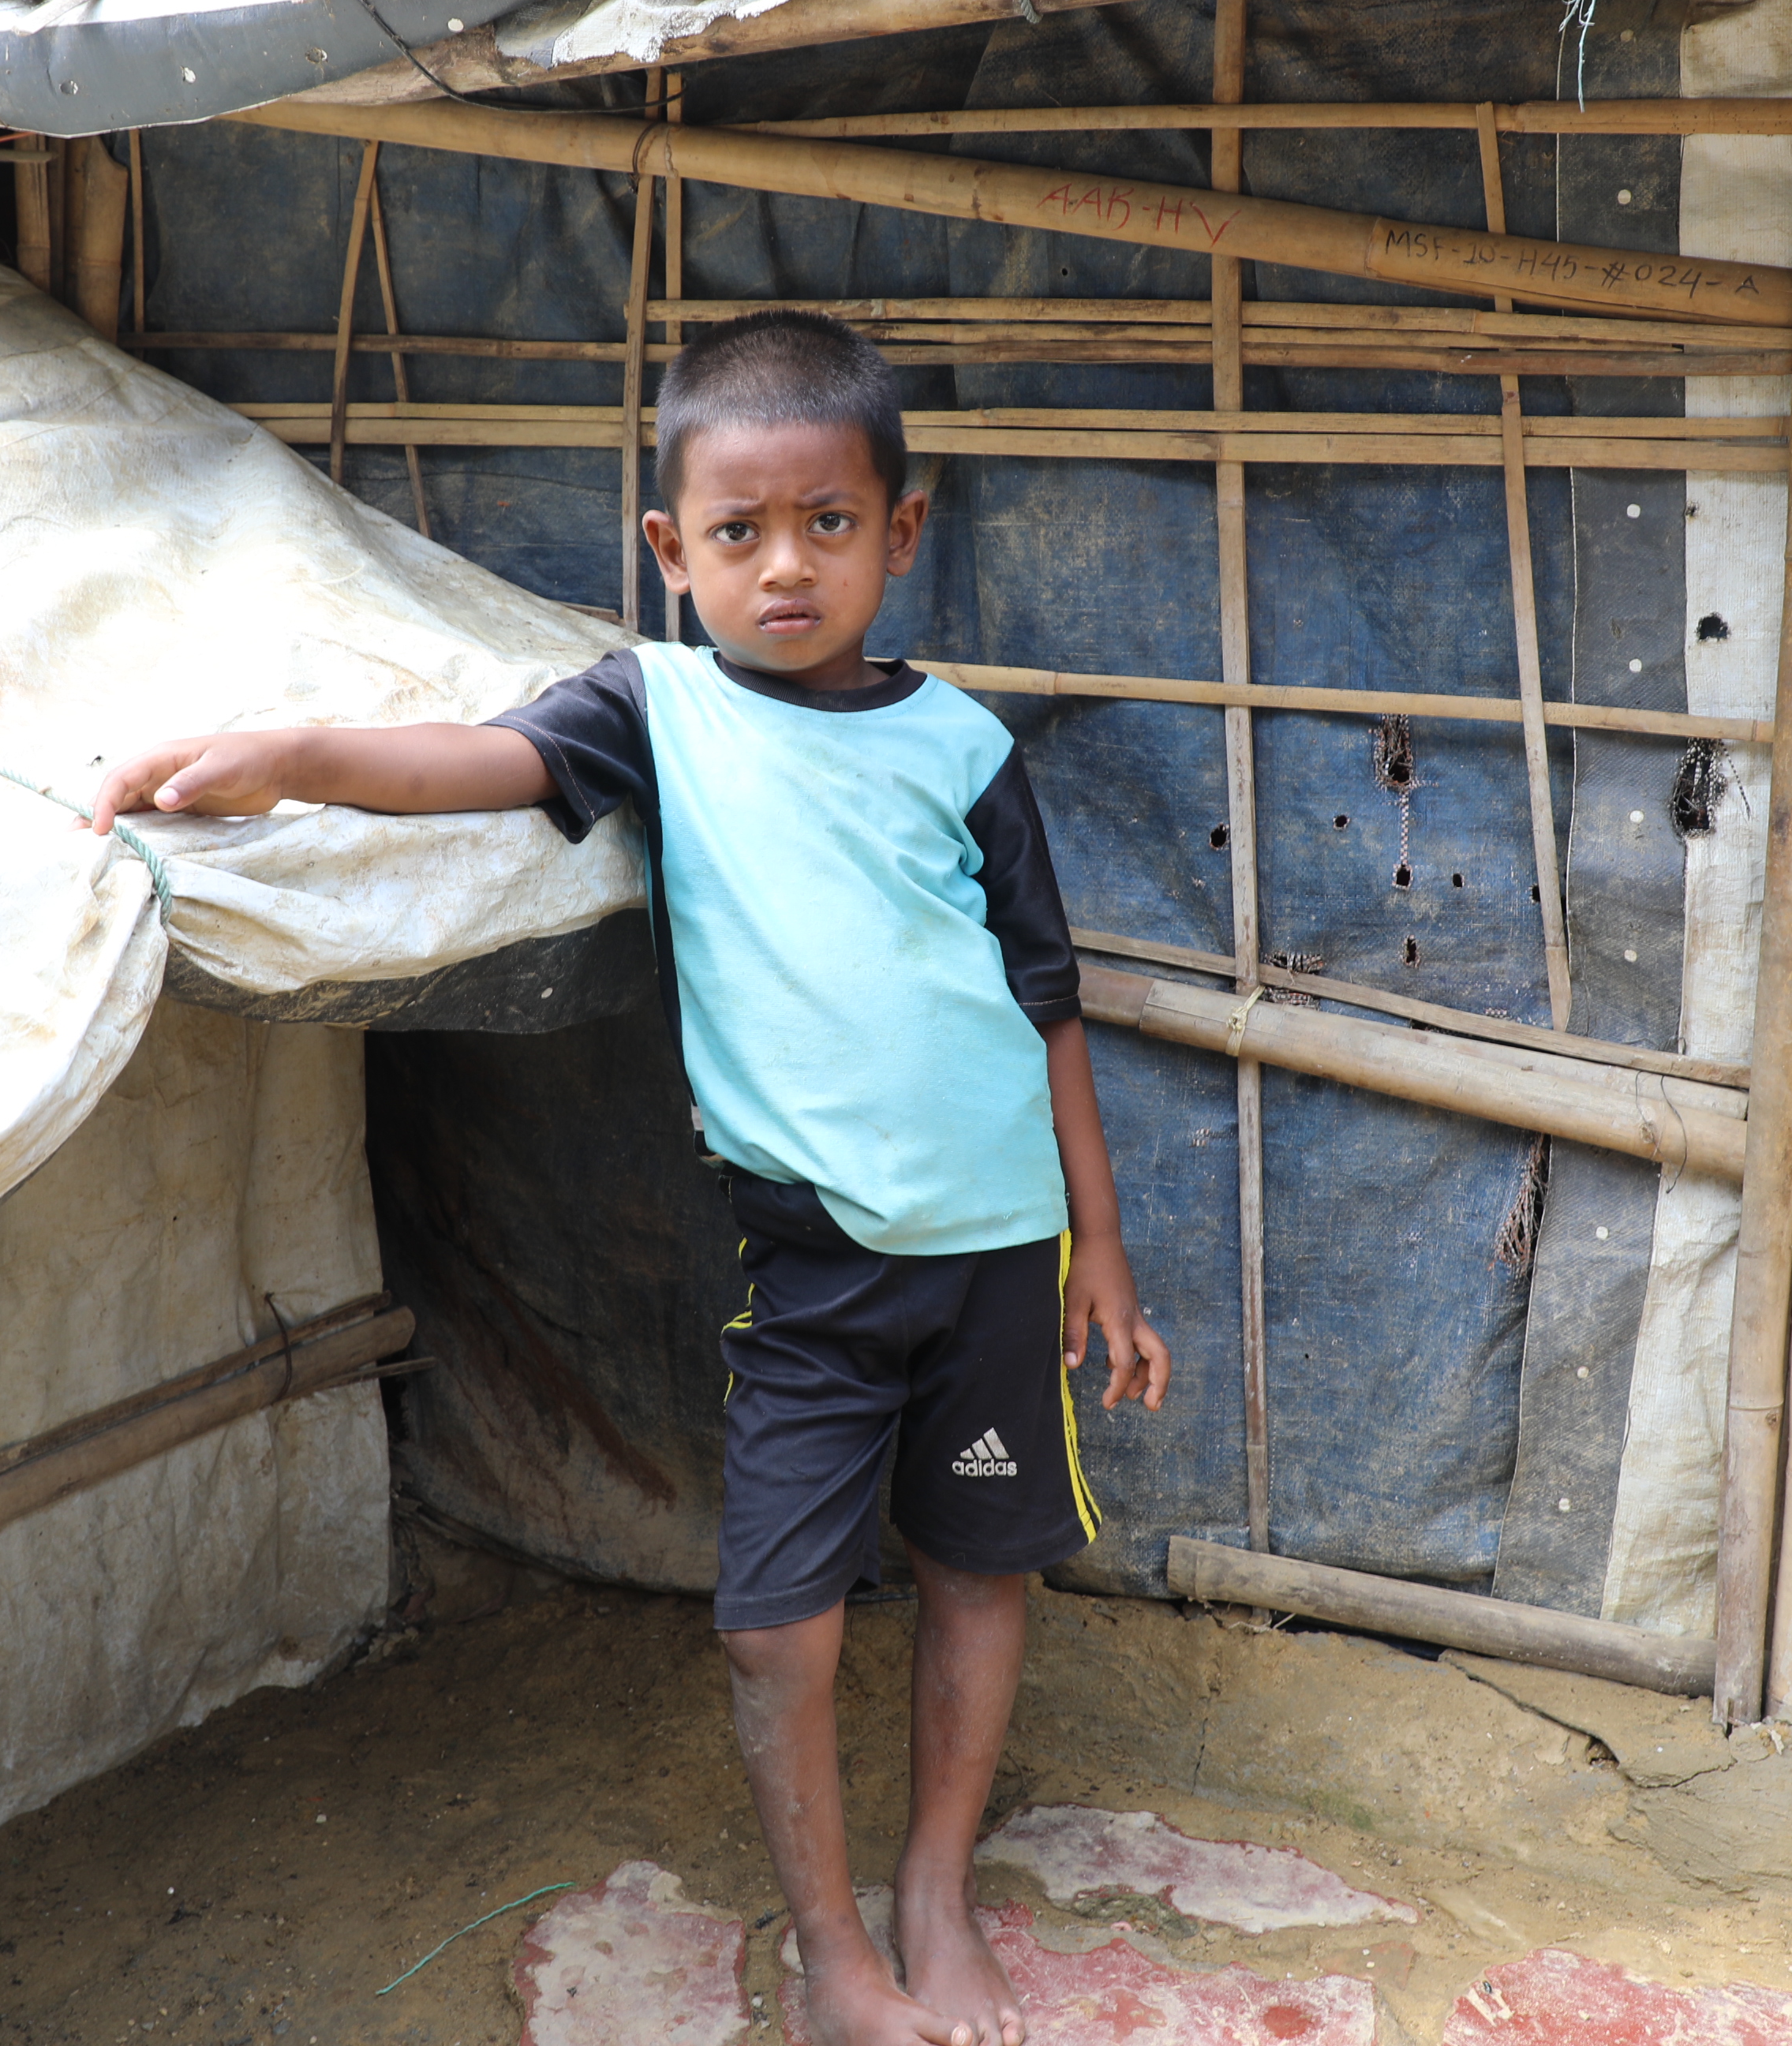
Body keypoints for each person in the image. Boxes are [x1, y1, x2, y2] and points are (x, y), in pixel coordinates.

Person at [88, 310, 1169, 2046]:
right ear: (672, 555)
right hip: (814, 1280)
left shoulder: (963, 748)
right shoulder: (656, 710)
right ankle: (832, 1955)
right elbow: (475, 764)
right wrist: (292, 756)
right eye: (739, 533)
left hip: (1000, 1269)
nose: (788, 567)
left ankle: (932, 1895)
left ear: (905, 528)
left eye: (831, 523)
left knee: (981, 1566)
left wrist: (1099, 1248)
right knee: (775, 1631)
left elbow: (1043, 1007)